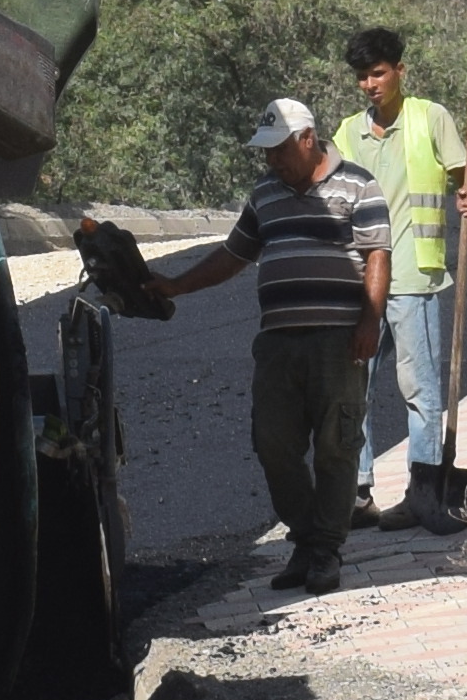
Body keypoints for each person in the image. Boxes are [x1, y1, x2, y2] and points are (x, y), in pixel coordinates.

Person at [145, 95, 385, 594]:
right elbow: (232, 256)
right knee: (273, 443)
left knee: (337, 448)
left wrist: (370, 321)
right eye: (265, 152)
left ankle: (325, 551)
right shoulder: (265, 195)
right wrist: (175, 286)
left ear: (306, 139)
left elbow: (376, 257)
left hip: (338, 341)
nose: (271, 160)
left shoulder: (358, 185)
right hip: (278, 343)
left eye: (278, 150)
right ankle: (304, 536)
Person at [344, 30, 467, 523]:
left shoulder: (430, 117)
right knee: (353, 388)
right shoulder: (348, 134)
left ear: (400, 70)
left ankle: (423, 493)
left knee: (420, 391)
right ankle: (356, 495)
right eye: (362, 77)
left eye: (377, 73)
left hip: (414, 279)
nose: (370, 84)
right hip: (362, 284)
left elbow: (463, 176)